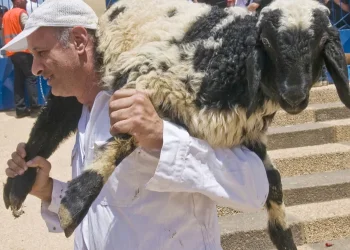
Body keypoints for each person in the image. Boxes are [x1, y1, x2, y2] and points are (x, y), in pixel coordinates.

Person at [3, 0, 269, 249]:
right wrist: (47, 190)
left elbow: (255, 190)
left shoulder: (161, 96)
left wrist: (163, 137)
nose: (35, 68)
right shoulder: (84, 111)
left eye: (41, 52)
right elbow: (107, 207)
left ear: (79, 41)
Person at [2, 0, 39, 118]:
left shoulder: (6, 15)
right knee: (30, 78)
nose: (26, 1)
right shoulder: (21, 13)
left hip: (12, 52)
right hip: (24, 51)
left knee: (18, 79)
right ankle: (34, 107)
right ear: (17, 1)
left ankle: (20, 109)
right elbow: (30, 30)